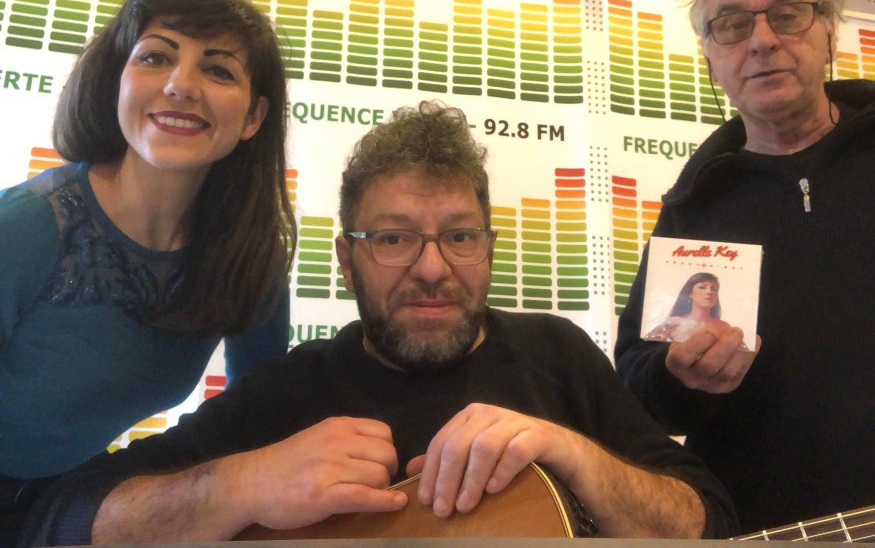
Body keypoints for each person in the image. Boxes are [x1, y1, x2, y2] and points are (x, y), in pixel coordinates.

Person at [19, 101, 738, 546]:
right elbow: (56, 519)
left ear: (488, 249)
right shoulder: (289, 390)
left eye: (459, 236)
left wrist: (574, 454)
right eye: (393, 238)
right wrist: (243, 483)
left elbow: (710, 521)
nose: (432, 267)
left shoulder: (557, 354)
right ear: (346, 260)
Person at [0, 0, 296, 547]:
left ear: (253, 118)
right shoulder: (27, 226)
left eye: (218, 70)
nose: (181, 85)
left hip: (73, 496)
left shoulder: (250, 258)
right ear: (119, 80)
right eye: (157, 57)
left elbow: (256, 414)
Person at [614, 0, 875, 534]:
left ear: (829, 33)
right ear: (710, 60)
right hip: (765, 531)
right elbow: (638, 383)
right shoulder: (691, 209)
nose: (761, 40)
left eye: (787, 13)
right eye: (732, 25)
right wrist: (680, 378)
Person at [644, 272, 739, 344]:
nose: (709, 292)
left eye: (714, 289)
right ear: (690, 293)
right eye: (702, 287)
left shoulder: (724, 327)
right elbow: (649, 348)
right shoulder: (673, 324)